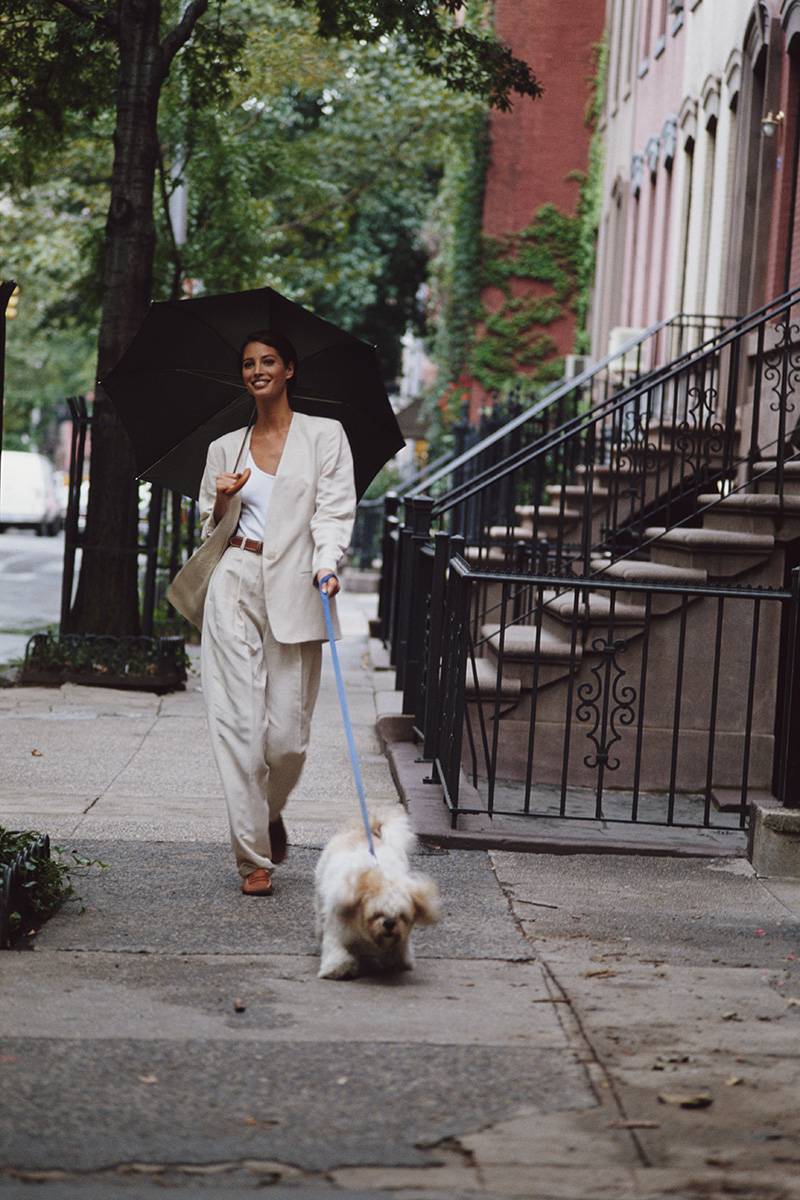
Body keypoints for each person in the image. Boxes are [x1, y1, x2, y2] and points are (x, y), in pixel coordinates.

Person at [197, 330, 356, 896]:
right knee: (239, 728)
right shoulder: (225, 447)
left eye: (268, 361)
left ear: (289, 369)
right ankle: (253, 859)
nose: (257, 370)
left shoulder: (325, 436)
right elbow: (208, 528)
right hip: (234, 580)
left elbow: (335, 510)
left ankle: (266, 812)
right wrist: (222, 497)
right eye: (247, 364)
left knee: (286, 738)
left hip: (298, 584)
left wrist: (328, 563)